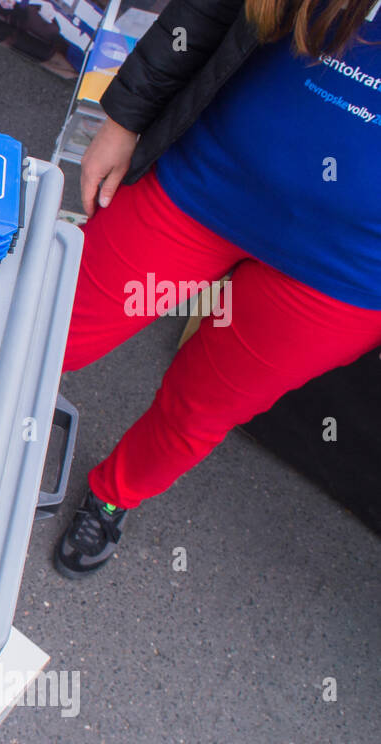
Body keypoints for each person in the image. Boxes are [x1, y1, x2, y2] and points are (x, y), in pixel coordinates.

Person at [54, 0, 381, 577]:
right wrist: (126, 117)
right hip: (206, 178)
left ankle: (114, 495)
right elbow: (210, 8)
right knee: (53, 334)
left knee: (200, 408)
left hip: (347, 271)